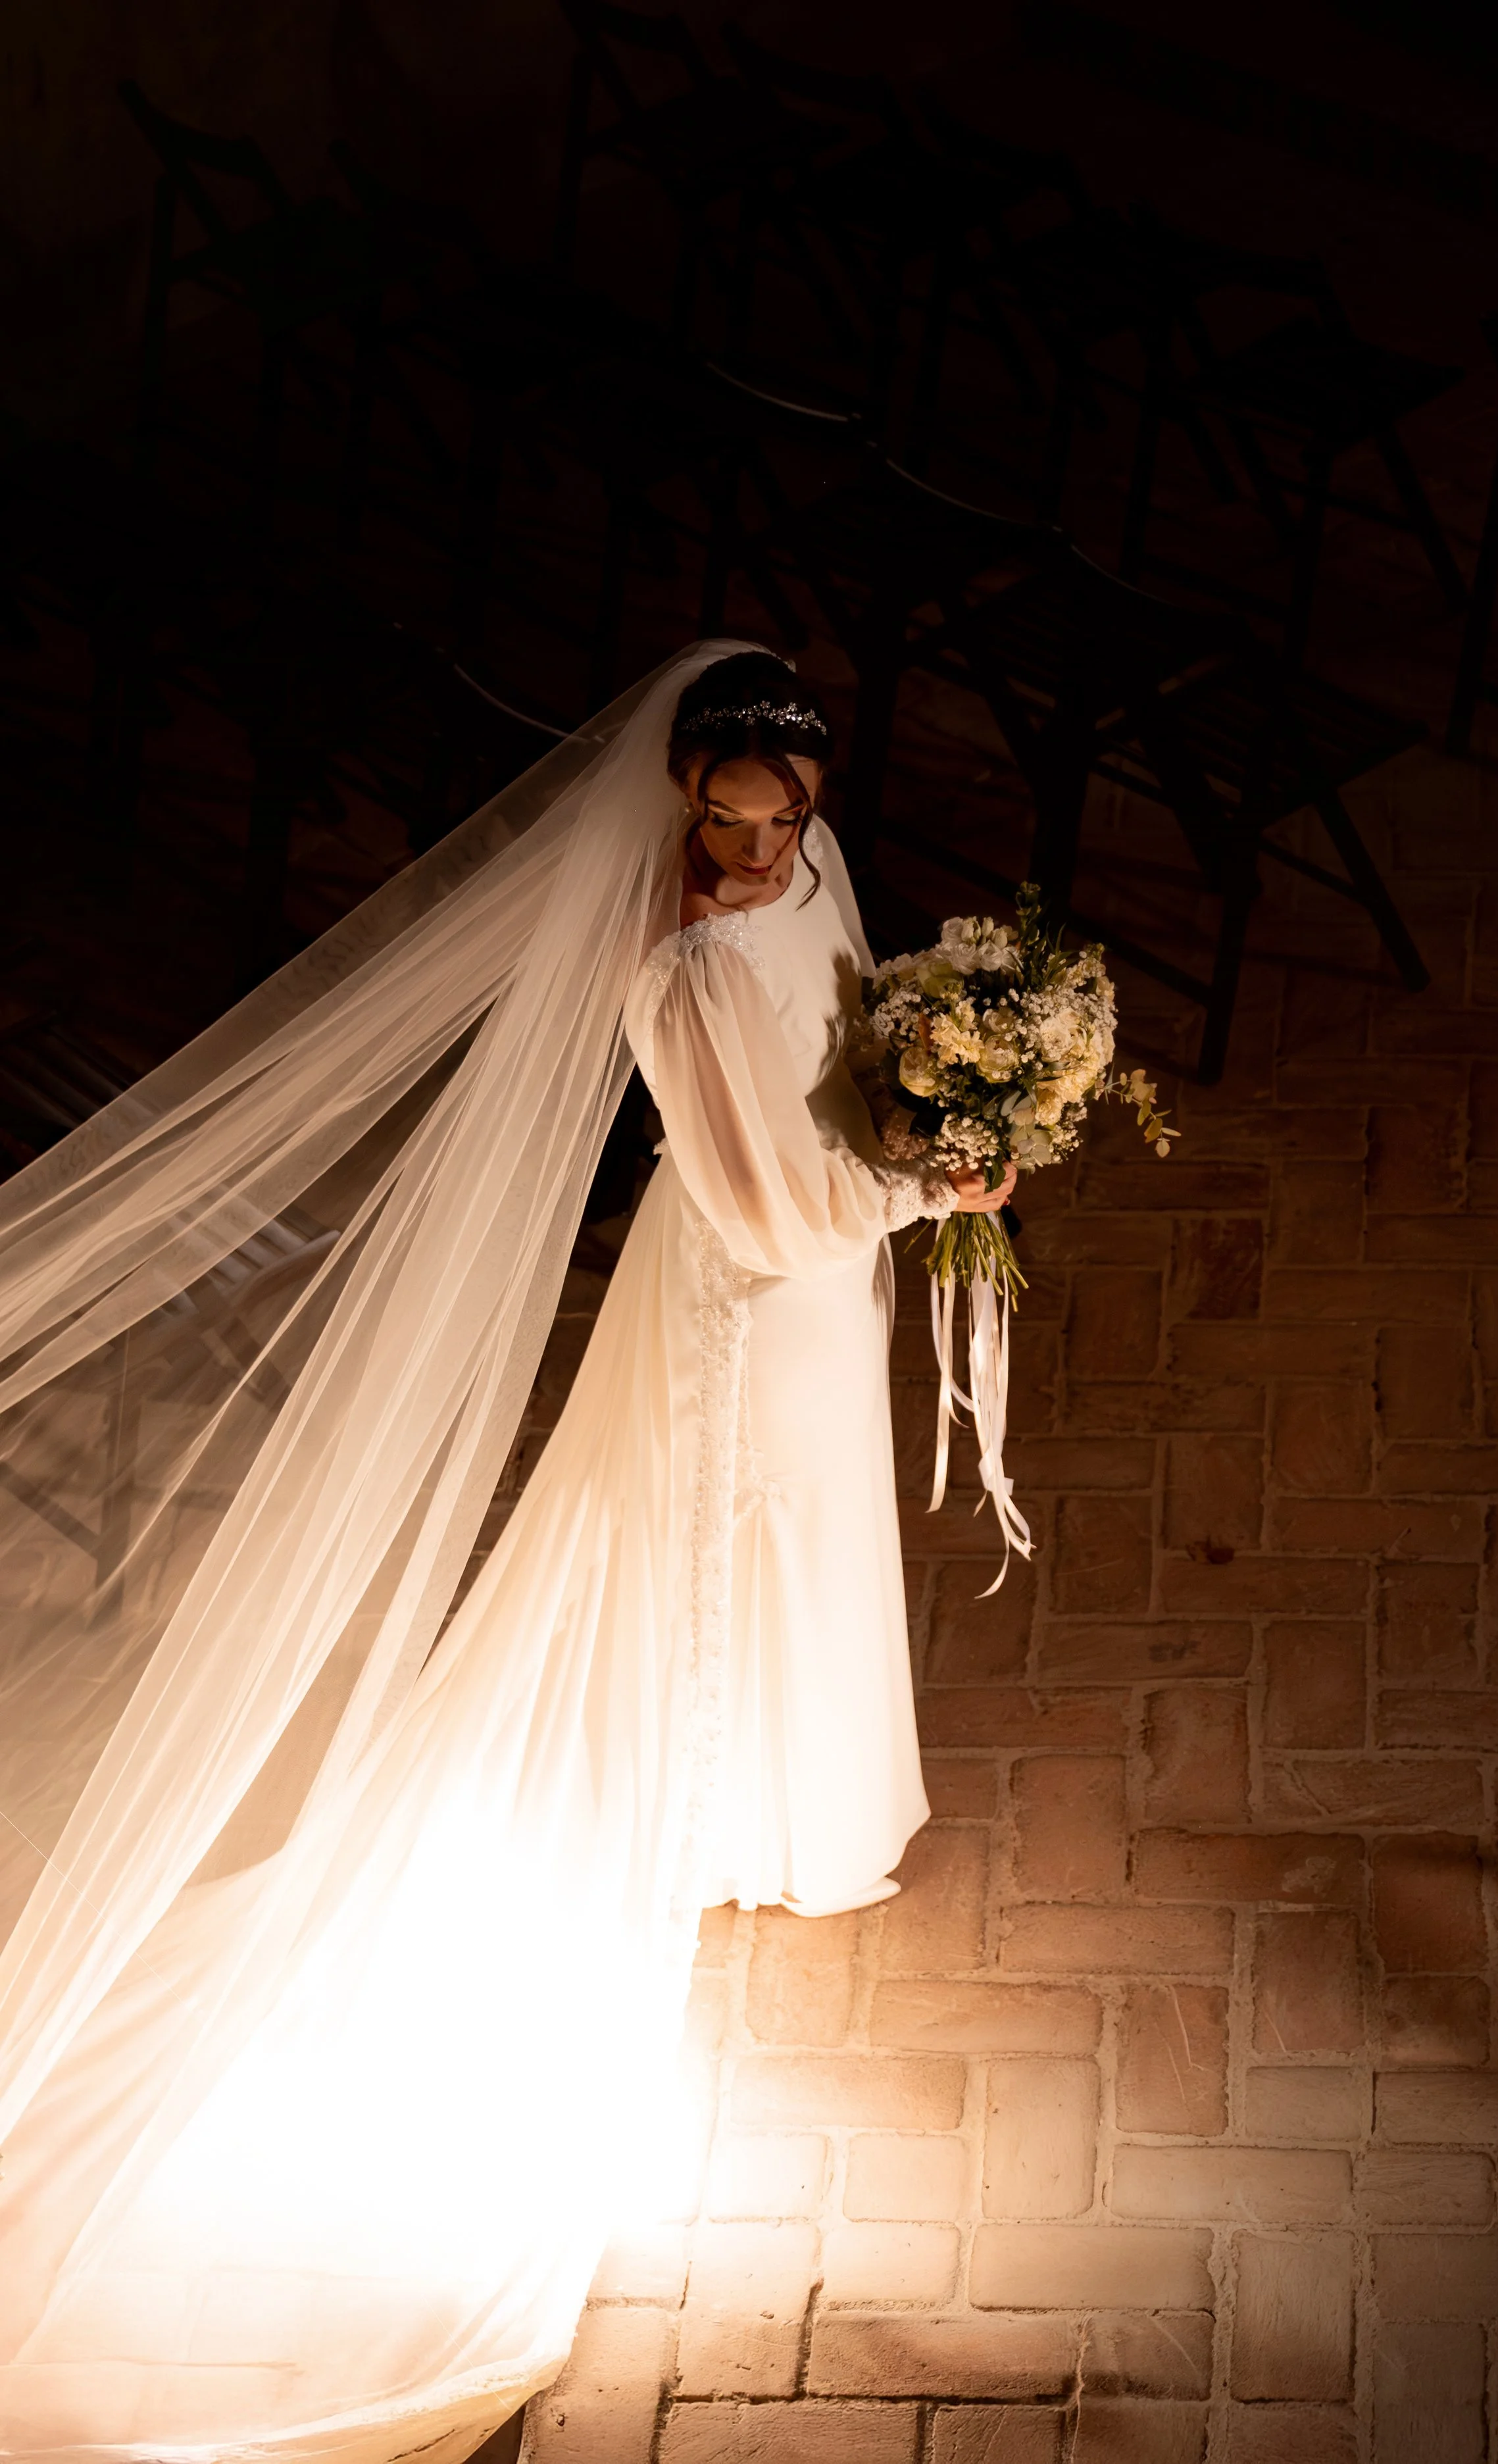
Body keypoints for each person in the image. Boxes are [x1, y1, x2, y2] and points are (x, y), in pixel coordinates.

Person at [0, 644, 1011, 2463]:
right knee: (736, 1541)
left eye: (780, 820)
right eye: (726, 823)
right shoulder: (682, 964)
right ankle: (712, 1804)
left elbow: (850, 1043)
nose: (760, 856)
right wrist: (937, 1185)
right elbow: (759, 1202)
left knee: (815, 1542)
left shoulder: (816, 875)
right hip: (748, 1297)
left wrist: (942, 1105)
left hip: (825, 1278)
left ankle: (790, 1808)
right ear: (683, 807)